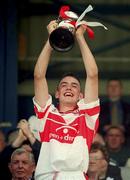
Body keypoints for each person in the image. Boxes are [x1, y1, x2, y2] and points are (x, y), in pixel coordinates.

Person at [32, 19, 100, 180]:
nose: (69, 88)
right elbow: (39, 76)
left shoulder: (87, 118)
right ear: (56, 93)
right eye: (64, 85)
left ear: (81, 96)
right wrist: (51, 38)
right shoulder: (46, 114)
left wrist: (80, 37)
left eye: (74, 86)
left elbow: (93, 75)